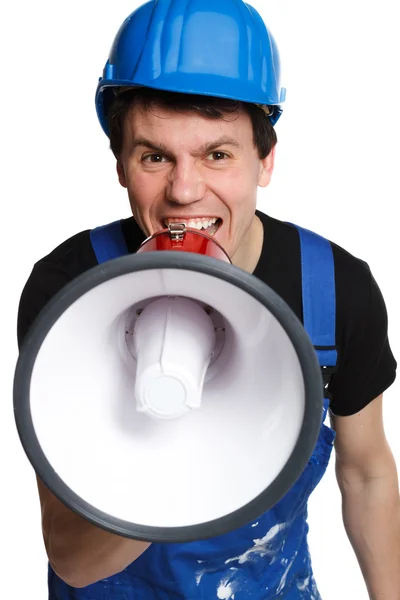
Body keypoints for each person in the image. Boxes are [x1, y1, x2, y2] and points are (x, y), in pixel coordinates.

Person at [16, 0, 399, 598]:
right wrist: (181, 447)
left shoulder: (334, 289)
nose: (185, 190)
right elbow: (72, 559)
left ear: (265, 160)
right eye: (154, 156)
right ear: (120, 163)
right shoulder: (67, 287)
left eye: (217, 154)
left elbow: (367, 471)